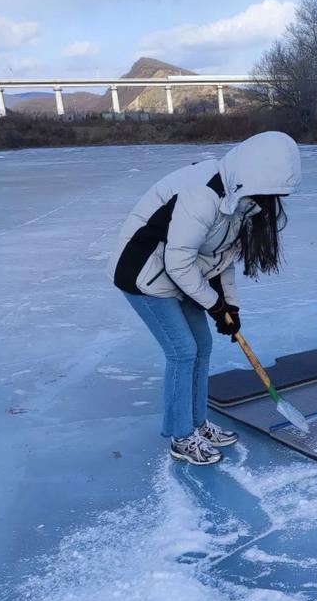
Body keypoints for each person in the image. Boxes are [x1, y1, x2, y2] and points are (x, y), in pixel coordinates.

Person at [109, 131, 301, 466]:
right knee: (182, 351)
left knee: (202, 346)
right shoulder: (203, 194)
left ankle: (198, 424)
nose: (271, 202)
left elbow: (221, 258)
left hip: (181, 274)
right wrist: (215, 305)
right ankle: (181, 437)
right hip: (144, 273)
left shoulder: (243, 201)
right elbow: (179, 260)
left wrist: (230, 305)